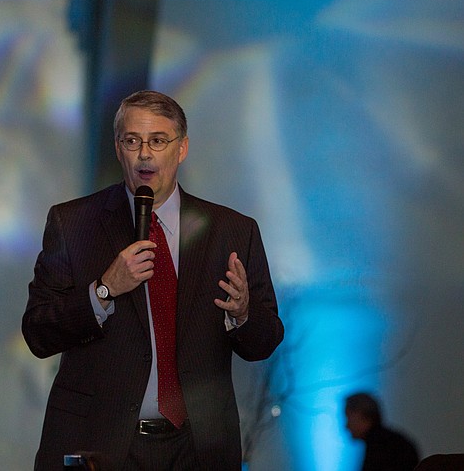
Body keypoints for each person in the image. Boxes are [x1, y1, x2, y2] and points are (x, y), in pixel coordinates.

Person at [22, 90, 284, 470]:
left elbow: (265, 341)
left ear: (182, 148)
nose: (144, 154)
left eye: (158, 141)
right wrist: (103, 290)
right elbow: (38, 333)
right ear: (118, 149)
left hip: (197, 448)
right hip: (102, 444)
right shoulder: (74, 224)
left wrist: (243, 313)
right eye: (132, 141)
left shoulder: (231, 231)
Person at [344, 392, 420, 471]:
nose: (346, 426)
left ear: (363, 416)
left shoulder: (380, 446)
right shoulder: (391, 442)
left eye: (348, 417)